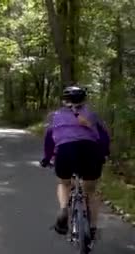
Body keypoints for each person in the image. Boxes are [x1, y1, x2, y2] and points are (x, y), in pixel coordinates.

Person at [40, 86, 111, 241]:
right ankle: (92, 228)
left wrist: (47, 158)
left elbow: (49, 140)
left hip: (65, 151)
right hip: (90, 151)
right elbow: (104, 137)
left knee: (64, 183)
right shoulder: (92, 115)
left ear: (64, 100)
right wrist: (104, 153)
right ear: (84, 99)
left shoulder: (55, 116)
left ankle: (64, 209)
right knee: (90, 191)